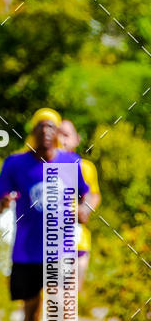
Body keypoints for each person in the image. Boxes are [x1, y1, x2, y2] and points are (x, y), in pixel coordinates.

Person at [0, 111, 89, 321]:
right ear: (33, 132)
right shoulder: (16, 164)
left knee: (57, 305)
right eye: (40, 127)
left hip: (61, 248)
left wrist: (85, 208)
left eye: (51, 127)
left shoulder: (71, 162)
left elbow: (86, 194)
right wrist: (2, 204)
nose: (46, 132)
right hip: (27, 251)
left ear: (58, 133)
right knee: (31, 311)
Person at [57, 119, 101, 290]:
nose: (62, 139)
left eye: (66, 135)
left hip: (77, 238)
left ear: (77, 139)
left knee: (71, 292)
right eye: (58, 134)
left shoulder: (86, 167)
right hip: (49, 238)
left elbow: (94, 195)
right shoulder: (43, 165)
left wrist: (84, 211)